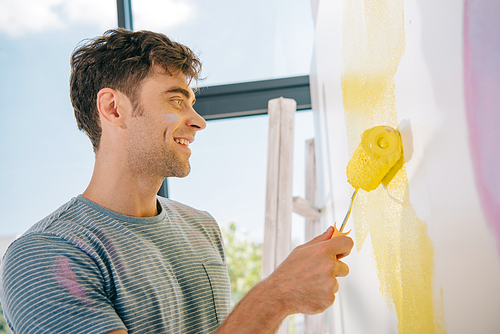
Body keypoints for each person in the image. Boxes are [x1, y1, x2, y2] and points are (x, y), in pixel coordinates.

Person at [0, 28, 353, 334]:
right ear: (113, 108)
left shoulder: (201, 227)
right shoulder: (46, 254)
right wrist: (277, 295)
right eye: (176, 100)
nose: (198, 121)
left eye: (192, 103)